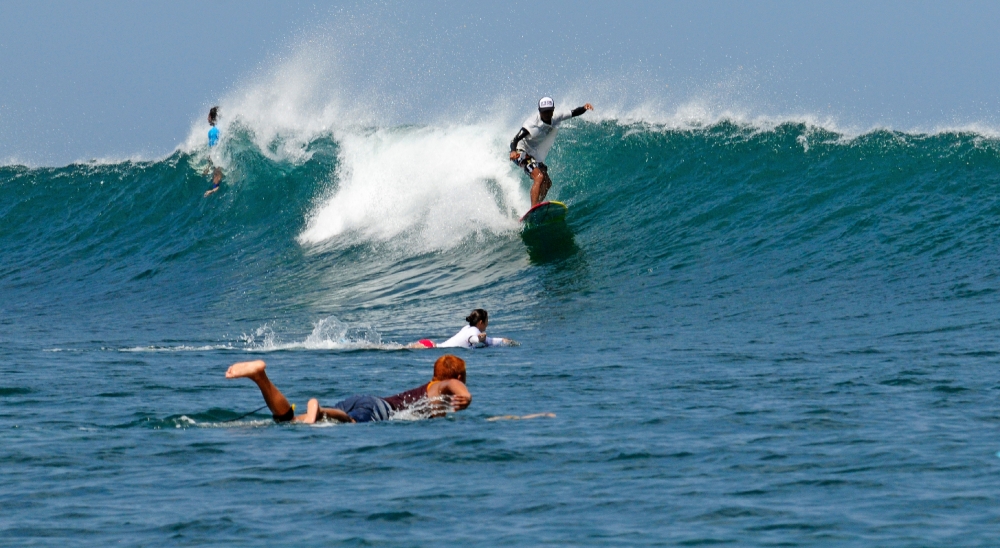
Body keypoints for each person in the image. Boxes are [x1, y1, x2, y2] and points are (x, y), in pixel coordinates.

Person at [225, 354, 472, 424]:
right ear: (460, 375)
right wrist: (466, 397)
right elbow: (452, 384)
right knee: (351, 422)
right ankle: (320, 410)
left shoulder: (430, 387)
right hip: (377, 408)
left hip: (364, 399)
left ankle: (261, 377)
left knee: (290, 421)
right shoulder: (440, 387)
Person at [509, 97, 593, 207]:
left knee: (547, 183)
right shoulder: (531, 124)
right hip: (521, 151)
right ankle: (533, 208)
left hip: (533, 154)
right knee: (539, 177)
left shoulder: (556, 116)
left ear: (553, 110)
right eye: (544, 111)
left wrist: (584, 108)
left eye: (549, 111)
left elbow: (573, 112)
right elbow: (515, 139)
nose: (547, 114)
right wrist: (513, 151)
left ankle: (537, 206)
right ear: (540, 111)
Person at [411, 309, 517, 349]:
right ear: (481, 322)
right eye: (487, 320)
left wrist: (506, 341)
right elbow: (473, 339)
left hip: (428, 344)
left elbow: (490, 341)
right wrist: (480, 339)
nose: (488, 323)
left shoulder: (467, 327)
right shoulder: (473, 331)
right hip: (430, 348)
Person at [204, 106, 224, 197]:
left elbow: (213, 148)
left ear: (212, 117)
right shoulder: (222, 127)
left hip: (217, 156)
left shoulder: (212, 131)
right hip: (222, 154)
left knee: (216, 180)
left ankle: (213, 191)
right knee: (217, 178)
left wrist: (208, 166)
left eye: (208, 116)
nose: (207, 118)